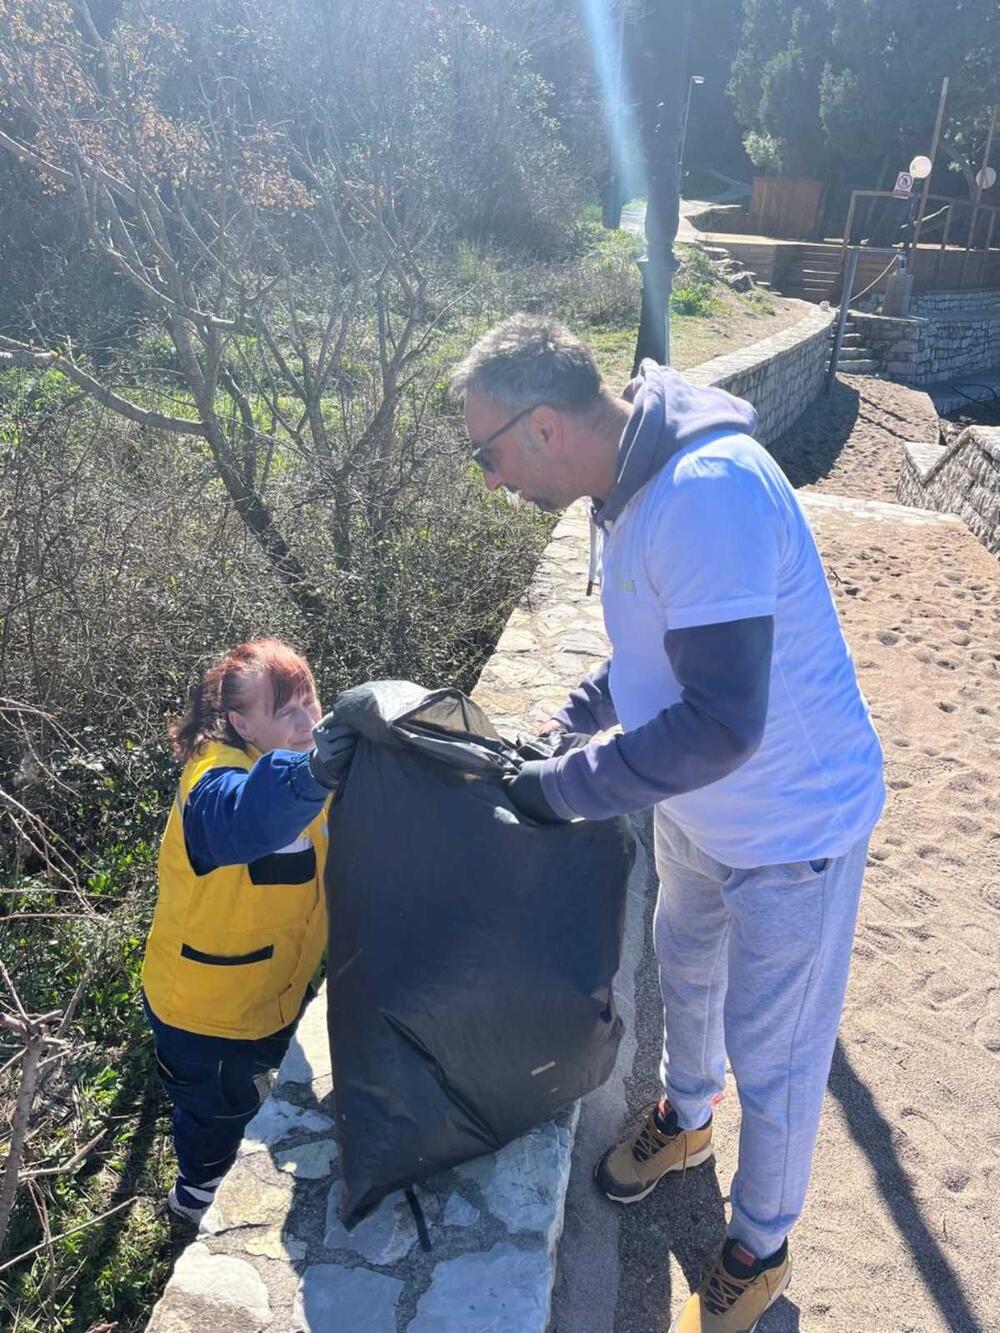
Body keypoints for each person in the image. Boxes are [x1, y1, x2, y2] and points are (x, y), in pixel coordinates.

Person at [450, 316, 885, 1333]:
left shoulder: (704, 493)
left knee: (775, 1051)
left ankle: (756, 1248)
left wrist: (564, 789)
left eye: (488, 452)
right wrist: (573, 718)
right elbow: (651, 654)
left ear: (545, 424)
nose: (489, 479)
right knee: (683, 966)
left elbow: (723, 718)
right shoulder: (628, 491)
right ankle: (686, 1119)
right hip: (698, 812)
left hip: (793, 826)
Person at [142, 638, 355, 1224]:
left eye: (310, 701)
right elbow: (249, 817)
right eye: (284, 712)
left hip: (272, 996)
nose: (308, 722)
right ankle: (195, 1200)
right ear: (239, 722)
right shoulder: (212, 782)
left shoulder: (306, 763)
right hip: (205, 1012)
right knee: (215, 1114)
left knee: (252, 1087)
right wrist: (316, 768)